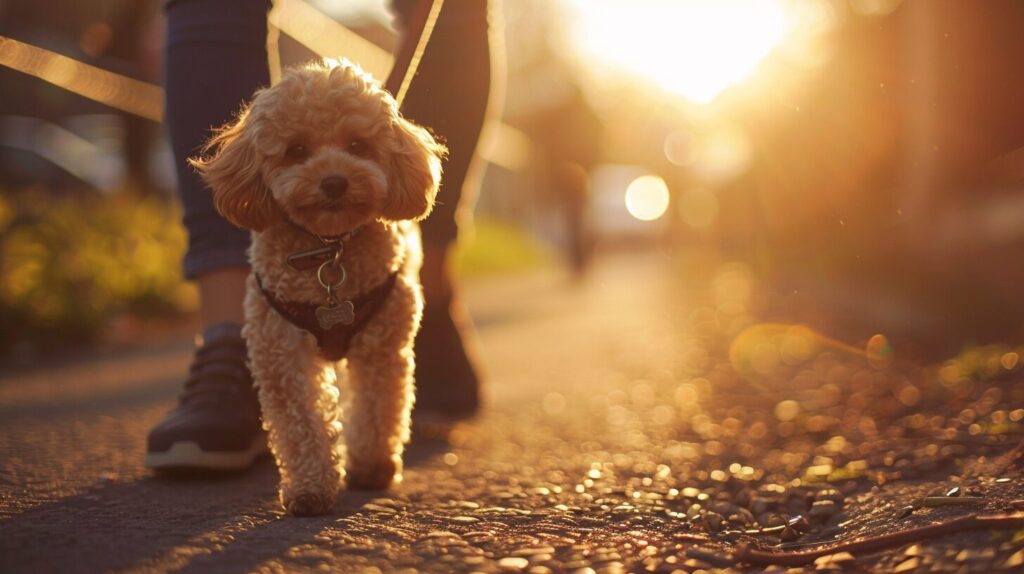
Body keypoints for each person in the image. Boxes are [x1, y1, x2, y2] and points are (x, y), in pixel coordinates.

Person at [146, 0, 495, 471]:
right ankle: (230, 338)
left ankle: (433, 294)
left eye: (357, 146)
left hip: (384, 260)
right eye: (297, 151)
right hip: (276, 271)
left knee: (451, 11)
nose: (332, 173)